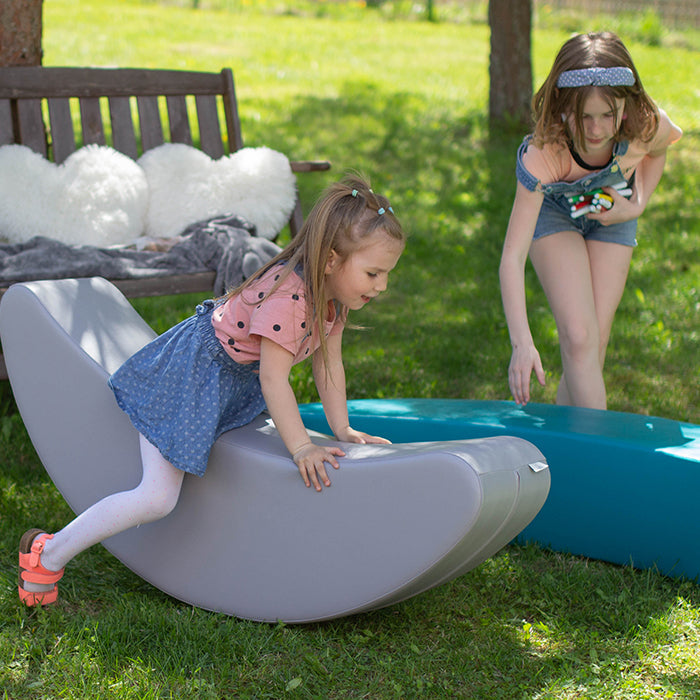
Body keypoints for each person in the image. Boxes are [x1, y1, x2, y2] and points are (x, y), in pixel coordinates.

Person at [18, 174, 406, 606]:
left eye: (386, 274)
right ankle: (47, 553)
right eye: (373, 273)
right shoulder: (291, 299)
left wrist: (343, 428)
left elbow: (329, 362)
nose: (382, 286)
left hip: (228, 383)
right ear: (332, 261)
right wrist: (300, 447)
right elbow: (274, 378)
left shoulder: (329, 299)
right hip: (192, 379)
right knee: (157, 498)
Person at [499, 31, 682, 409]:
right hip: (555, 215)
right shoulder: (545, 151)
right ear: (563, 107)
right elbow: (512, 258)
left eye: (607, 116)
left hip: (612, 214)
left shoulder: (645, 124)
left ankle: (572, 449)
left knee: (592, 346)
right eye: (585, 117)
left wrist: (637, 205)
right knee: (579, 336)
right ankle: (597, 454)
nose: (597, 130)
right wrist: (522, 342)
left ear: (625, 106)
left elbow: (659, 151)